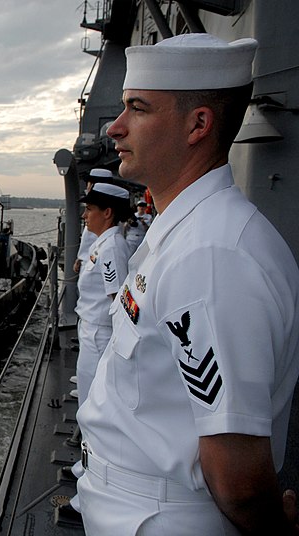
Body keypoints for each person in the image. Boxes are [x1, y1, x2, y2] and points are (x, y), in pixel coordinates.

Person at [76, 33, 299, 535]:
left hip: (160, 518)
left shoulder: (213, 255)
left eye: (138, 109)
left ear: (199, 124)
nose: (115, 127)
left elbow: (237, 476)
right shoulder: (185, 234)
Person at [73, 182, 132, 405]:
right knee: (88, 393)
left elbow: (117, 299)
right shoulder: (102, 244)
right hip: (90, 328)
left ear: (107, 213)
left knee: (94, 400)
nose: (84, 215)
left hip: (100, 334)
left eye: (89, 209)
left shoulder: (112, 248)